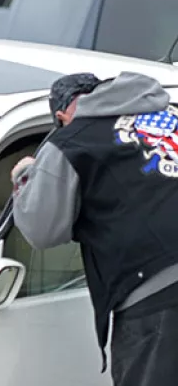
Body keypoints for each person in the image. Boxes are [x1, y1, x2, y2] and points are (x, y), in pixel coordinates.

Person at [10, 71, 178, 386]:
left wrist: (26, 176)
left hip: (158, 296)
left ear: (61, 116)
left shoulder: (72, 142)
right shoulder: (167, 116)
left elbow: (41, 229)